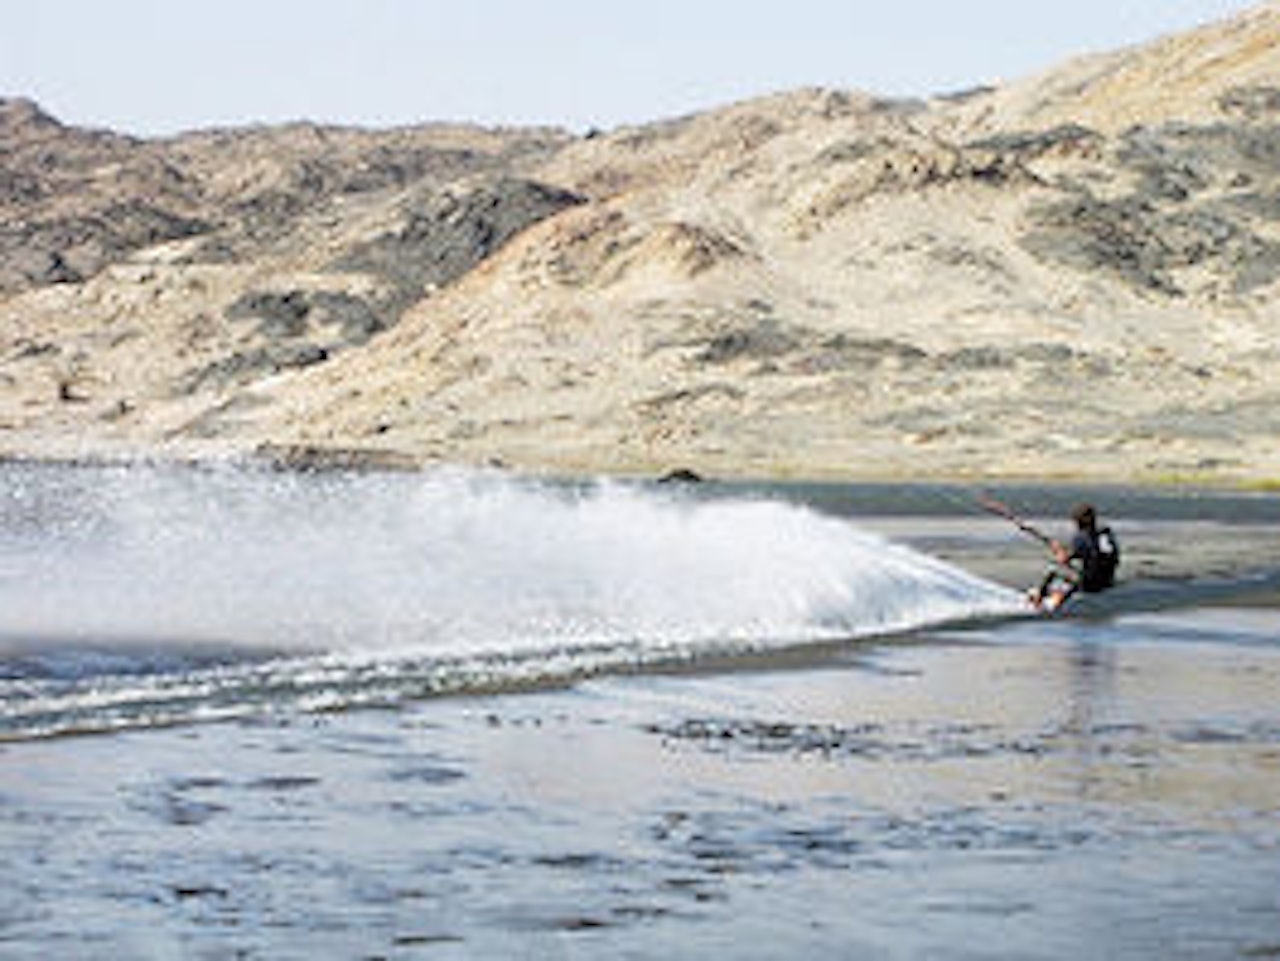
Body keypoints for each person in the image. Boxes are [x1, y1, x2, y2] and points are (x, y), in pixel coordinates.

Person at [1029, 503, 1120, 611]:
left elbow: (1064, 559)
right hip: (1108, 580)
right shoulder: (1105, 533)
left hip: (1090, 584)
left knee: (1054, 572)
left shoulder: (1081, 537)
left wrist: (1059, 550)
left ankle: (1041, 600)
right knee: (1078, 572)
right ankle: (1053, 595)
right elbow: (1103, 554)